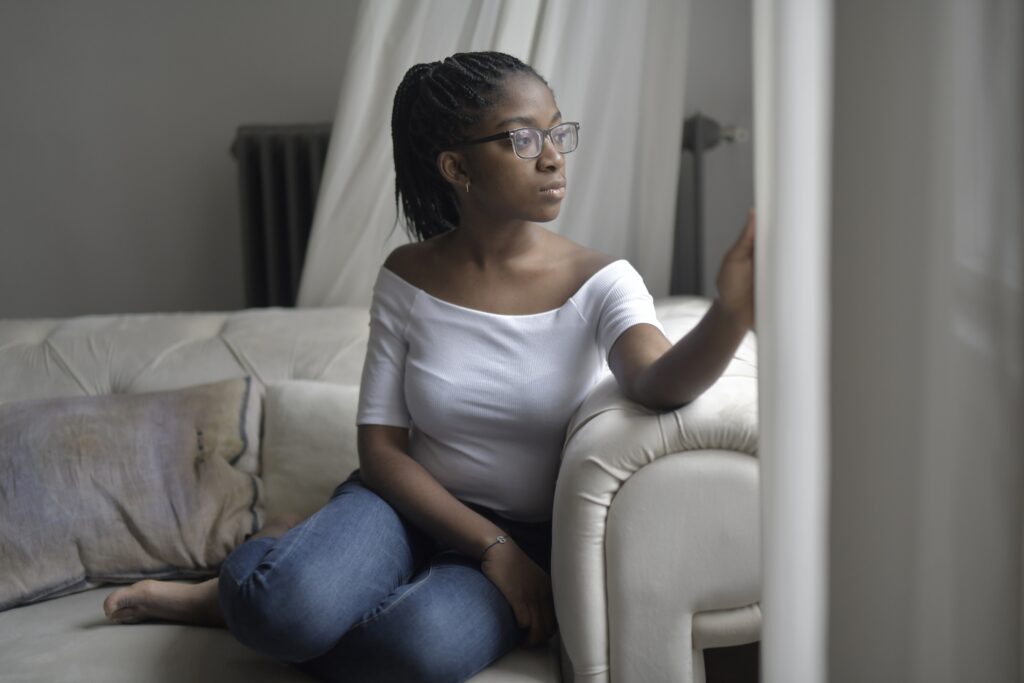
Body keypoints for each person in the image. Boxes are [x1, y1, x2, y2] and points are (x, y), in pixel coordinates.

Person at [102, 51, 755, 683]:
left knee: (416, 651)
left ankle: (267, 588)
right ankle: (236, 591)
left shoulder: (602, 281)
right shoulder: (407, 277)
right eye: (523, 138)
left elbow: (657, 381)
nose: (553, 155)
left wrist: (729, 311)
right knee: (283, 606)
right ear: (456, 167)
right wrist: (486, 544)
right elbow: (382, 451)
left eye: (557, 131)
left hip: (528, 537)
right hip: (399, 506)